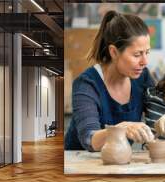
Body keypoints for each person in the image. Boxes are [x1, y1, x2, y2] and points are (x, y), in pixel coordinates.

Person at [65, 10, 155, 152]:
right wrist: (122, 128)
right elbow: (89, 139)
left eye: (147, 52)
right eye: (137, 54)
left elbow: (156, 109)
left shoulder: (142, 77)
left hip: (119, 161)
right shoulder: (87, 84)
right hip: (79, 162)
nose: (145, 61)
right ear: (113, 52)